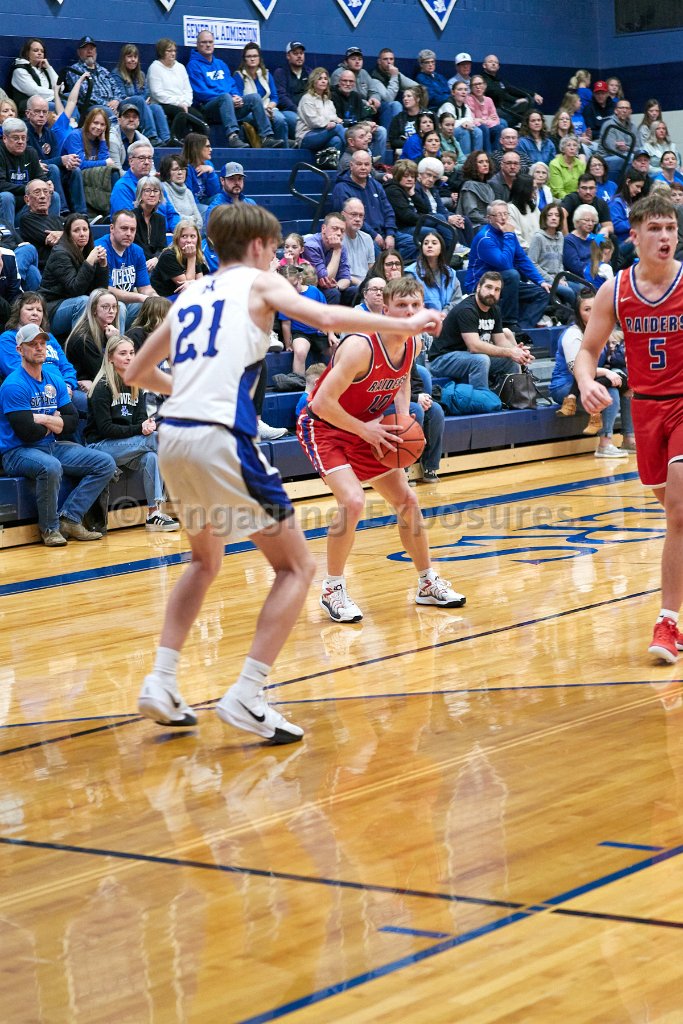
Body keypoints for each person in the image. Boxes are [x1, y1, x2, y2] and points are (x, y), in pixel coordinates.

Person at [124, 202, 440, 734]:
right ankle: (247, 694)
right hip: (222, 435)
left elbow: (136, 371)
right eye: (273, 250)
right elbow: (327, 318)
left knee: (203, 562)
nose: (275, 260)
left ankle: (161, 679)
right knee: (296, 568)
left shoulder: (189, 295)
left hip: (174, 438)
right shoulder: (258, 282)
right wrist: (404, 322)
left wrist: (192, 389)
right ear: (256, 247)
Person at [297, 273, 463, 623]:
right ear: (384, 309)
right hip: (324, 426)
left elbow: (401, 381)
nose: (410, 312)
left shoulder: (412, 343)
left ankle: (426, 582)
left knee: (408, 501)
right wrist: (365, 430)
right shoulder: (360, 347)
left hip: (369, 427)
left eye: (415, 305)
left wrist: (401, 419)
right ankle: (332, 589)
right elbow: (321, 403)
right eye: (401, 305)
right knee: (353, 501)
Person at [573, 193, 683, 661]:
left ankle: (667, 622)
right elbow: (587, 351)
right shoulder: (614, 290)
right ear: (634, 236)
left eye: (671, 227)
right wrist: (586, 382)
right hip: (646, 410)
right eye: (655, 228)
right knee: (677, 514)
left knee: (678, 511)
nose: (665, 236)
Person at [0, 321, 116, 545]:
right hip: (17, 452)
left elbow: (72, 421)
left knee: (105, 463)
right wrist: (56, 421)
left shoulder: (54, 380)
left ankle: (70, 518)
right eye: (32, 344)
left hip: (50, 446)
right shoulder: (13, 385)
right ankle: (50, 529)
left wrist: (43, 418)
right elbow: (27, 433)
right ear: (20, 350)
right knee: (51, 466)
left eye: (42, 343)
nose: (39, 348)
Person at [85, 334, 178, 532]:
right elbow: (106, 429)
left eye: (132, 353)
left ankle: (153, 513)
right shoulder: (102, 387)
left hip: (128, 445)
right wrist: (140, 429)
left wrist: (147, 425)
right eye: (123, 353)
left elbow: (140, 420)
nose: (129, 357)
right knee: (156, 440)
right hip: (100, 447)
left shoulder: (136, 385)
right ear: (110, 358)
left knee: (151, 457)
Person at [551, 288, 630, 449]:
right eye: (587, 309)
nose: (593, 313)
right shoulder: (573, 334)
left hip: (594, 379)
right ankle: (605, 444)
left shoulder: (602, 331)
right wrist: (607, 372)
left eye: (595, 308)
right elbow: (575, 369)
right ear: (578, 313)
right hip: (565, 385)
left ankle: (630, 439)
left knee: (629, 388)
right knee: (609, 391)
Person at [429, 270, 533, 390]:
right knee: (481, 360)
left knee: (511, 361)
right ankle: (482, 398)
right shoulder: (467, 309)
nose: (492, 293)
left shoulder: (494, 310)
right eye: (488, 287)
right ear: (479, 287)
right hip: (442, 360)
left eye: (497, 289)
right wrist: (510, 352)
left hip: (467, 357)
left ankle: (514, 396)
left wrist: (518, 352)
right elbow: (474, 346)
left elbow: (500, 341)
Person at [466, 200, 551, 331]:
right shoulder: (485, 238)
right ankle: (509, 323)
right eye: (498, 214)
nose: (503, 218)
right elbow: (504, 264)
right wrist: (509, 235)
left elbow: (522, 259)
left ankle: (522, 329)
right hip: (480, 284)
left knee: (542, 293)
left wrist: (540, 281)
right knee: (512, 274)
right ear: (489, 218)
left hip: (504, 283)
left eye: (506, 214)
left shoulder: (508, 234)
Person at [187, 30, 282, 148]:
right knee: (225, 97)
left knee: (254, 97)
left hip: (228, 104)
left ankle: (266, 137)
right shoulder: (193, 65)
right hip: (208, 108)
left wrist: (237, 97)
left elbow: (232, 85)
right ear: (197, 45)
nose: (208, 45)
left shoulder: (220, 64)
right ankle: (233, 137)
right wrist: (228, 98)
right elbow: (200, 92)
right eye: (204, 42)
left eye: (210, 42)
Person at [0, 292, 80, 409]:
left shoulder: (49, 337)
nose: (35, 313)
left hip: (64, 390)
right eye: (30, 309)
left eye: (39, 310)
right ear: (18, 312)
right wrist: (58, 387)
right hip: (34, 393)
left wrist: (68, 385)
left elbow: (66, 367)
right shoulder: (8, 338)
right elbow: (16, 370)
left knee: (93, 403)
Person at [39, 213, 109, 335]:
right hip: (52, 309)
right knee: (83, 302)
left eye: (85, 229)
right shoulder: (60, 254)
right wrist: (89, 263)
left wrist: (103, 266)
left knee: (116, 305)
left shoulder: (88, 252)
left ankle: (114, 343)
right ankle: (80, 344)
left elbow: (100, 291)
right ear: (68, 234)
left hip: (75, 303)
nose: (82, 234)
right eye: (76, 230)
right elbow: (75, 290)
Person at [25, 94, 87, 217]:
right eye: (37, 111)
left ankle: (82, 214)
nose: (41, 115)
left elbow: (55, 159)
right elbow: (29, 162)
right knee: (53, 168)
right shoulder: (23, 133)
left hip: (52, 173)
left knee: (75, 170)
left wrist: (68, 163)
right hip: (34, 175)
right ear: (28, 113)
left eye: (44, 112)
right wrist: (61, 160)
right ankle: (62, 212)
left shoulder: (50, 134)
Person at [100, 208, 155, 329]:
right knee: (119, 307)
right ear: (112, 228)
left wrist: (156, 299)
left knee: (152, 306)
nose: (129, 233)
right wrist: (142, 297)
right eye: (124, 228)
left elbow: (145, 288)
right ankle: (116, 341)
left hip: (126, 304)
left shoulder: (137, 251)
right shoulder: (101, 249)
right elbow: (107, 289)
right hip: (101, 305)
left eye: (132, 229)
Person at [332, 150, 396, 251]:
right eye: (359, 164)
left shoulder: (376, 185)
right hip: (359, 234)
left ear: (371, 166)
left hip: (384, 233)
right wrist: (374, 235)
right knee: (373, 248)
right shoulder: (341, 188)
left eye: (366, 164)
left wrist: (390, 234)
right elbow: (348, 219)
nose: (363, 167)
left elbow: (389, 211)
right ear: (351, 165)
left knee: (410, 242)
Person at [109, 140, 179, 231]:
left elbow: (172, 214)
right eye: (141, 158)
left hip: (166, 235)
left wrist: (176, 233)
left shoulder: (157, 184)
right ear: (131, 161)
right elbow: (127, 223)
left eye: (149, 158)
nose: (146, 162)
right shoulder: (122, 187)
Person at [145, 38, 206, 143]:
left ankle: (198, 145)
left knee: (198, 117)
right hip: (163, 104)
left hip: (183, 104)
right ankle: (176, 142)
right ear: (161, 52)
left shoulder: (180, 67)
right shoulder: (154, 68)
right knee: (180, 113)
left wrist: (185, 103)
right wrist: (178, 103)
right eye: (169, 51)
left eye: (174, 51)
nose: (173, 53)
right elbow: (157, 93)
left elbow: (188, 90)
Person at [111, 43, 170, 146]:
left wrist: (142, 100)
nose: (133, 60)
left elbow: (146, 93)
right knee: (138, 100)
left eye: (135, 57)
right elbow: (120, 95)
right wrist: (141, 99)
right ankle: (151, 136)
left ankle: (166, 139)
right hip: (123, 106)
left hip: (141, 104)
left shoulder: (141, 74)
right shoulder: (117, 73)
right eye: (129, 56)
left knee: (156, 108)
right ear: (123, 58)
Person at [0, 117, 55, 226]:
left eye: (23, 138)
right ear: (5, 138)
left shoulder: (31, 152)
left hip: (25, 205)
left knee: (53, 196)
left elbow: (40, 177)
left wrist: (47, 184)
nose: (20, 142)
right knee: (6, 197)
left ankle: (50, 230)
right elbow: (1, 184)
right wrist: (28, 189)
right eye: (16, 138)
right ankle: (8, 234)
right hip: (6, 204)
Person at [66, 288, 124, 390]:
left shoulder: (109, 331)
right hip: (81, 387)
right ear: (94, 310)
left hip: (99, 384)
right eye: (105, 307)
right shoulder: (83, 339)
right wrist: (114, 342)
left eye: (114, 307)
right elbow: (103, 374)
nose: (111, 311)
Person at [234, 43, 289, 148]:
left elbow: (274, 97)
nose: (252, 59)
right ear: (244, 59)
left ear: (259, 58)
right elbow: (239, 99)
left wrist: (269, 108)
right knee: (263, 118)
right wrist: (261, 112)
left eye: (255, 56)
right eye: (249, 56)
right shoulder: (239, 76)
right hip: (249, 112)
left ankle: (284, 150)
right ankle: (268, 143)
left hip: (268, 108)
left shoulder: (266, 74)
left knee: (280, 120)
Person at [528, 202, 580, 306]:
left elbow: (560, 262)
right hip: (542, 280)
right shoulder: (538, 237)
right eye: (550, 215)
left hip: (558, 279)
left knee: (583, 289)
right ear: (544, 218)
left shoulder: (560, 236)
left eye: (557, 215)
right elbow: (532, 263)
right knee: (569, 292)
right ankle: (574, 314)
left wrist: (561, 278)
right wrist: (554, 280)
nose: (553, 218)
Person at [60, 35, 123, 120]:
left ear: (96, 51)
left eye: (92, 48)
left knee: (133, 103)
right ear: (79, 52)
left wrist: (116, 101)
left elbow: (117, 90)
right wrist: (108, 105)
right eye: (85, 48)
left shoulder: (104, 71)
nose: (89, 51)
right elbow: (85, 95)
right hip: (91, 107)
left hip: (113, 105)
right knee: (107, 112)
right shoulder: (74, 70)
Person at [331, 70, 387, 163]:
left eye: (351, 81)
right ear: (339, 82)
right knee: (353, 133)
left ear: (354, 84)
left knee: (381, 131)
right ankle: (362, 160)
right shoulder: (332, 96)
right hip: (343, 128)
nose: (348, 84)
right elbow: (339, 121)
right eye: (345, 81)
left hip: (358, 127)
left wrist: (369, 125)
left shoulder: (356, 96)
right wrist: (363, 125)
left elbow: (365, 116)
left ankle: (377, 164)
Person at [385, 158, 432, 260]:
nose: (410, 179)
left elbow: (426, 210)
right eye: (406, 176)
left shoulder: (409, 189)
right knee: (432, 231)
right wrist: (423, 218)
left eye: (412, 176)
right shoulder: (393, 190)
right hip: (401, 228)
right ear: (398, 176)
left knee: (439, 218)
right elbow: (407, 216)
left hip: (411, 224)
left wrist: (413, 194)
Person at [405, 230, 462, 311]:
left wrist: (444, 313)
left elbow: (457, 300)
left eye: (434, 243)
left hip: (448, 317)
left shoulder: (450, 273)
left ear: (441, 248)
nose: (429, 245)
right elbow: (409, 303)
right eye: (426, 243)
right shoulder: (411, 273)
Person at [151, 219, 208, 299]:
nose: (189, 241)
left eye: (192, 236)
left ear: (198, 238)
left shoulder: (196, 254)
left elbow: (201, 283)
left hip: (182, 298)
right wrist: (191, 258)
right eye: (184, 236)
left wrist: (193, 257)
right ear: (177, 238)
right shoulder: (168, 256)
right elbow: (188, 289)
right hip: (164, 300)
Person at [295, 68, 346, 157]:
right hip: (306, 136)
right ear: (313, 81)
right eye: (320, 78)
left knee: (336, 140)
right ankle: (356, 151)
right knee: (338, 128)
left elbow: (335, 118)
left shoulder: (329, 101)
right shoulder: (307, 99)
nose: (323, 81)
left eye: (325, 79)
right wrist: (330, 121)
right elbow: (314, 122)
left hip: (323, 134)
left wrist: (333, 121)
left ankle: (331, 163)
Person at [481, 54, 538, 127]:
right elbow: (498, 93)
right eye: (490, 62)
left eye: (496, 62)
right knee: (522, 117)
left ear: (498, 67)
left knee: (530, 100)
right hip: (494, 110)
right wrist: (515, 100)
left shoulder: (498, 80)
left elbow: (512, 89)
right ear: (484, 65)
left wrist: (533, 94)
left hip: (506, 108)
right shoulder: (482, 79)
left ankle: (516, 127)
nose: (493, 64)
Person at [18, 177, 62, 272]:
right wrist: (67, 235)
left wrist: (62, 234)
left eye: (46, 192)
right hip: (45, 271)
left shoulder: (58, 219)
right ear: (27, 199)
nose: (42, 196)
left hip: (64, 267)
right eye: (37, 192)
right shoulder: (27, 219)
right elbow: (51, 239)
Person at [9, 38, 58, 115]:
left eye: (42, 51)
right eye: (35, 50)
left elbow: (60, 87)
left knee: (67, 97)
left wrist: (49, 68)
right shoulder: (19, 70)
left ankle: (73, 121)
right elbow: (34, 91)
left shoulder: (44, 69)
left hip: (49, 100)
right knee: (55, 106)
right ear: (27, 53)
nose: (40, 53)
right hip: (28, 106)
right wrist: (56, 94)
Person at [273, 42, 311, 140]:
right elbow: (281, 97)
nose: (299, 56)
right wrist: (297, 110)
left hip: (308, 112)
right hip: (288, 111)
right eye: (295, 53)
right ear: (288, 56)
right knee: (296, 121)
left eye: (301, 53)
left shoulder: (309, 73)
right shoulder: (280, 72)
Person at [158, 154, 203, 232]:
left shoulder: (188, 192)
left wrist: (189, 222)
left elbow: (199, 221)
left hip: (192, 233)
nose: (180, 172)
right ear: (167, 172)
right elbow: (174, 216)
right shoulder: (163, 188)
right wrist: (192, 219)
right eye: (175, 169)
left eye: (183, 169)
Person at [132, 176, 167, 271]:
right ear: (140, 194)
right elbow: (135, 245)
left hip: (155, 264)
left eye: (156, 191)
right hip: (136, 263)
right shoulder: (132, 217)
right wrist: (153, 259)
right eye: (147, 190)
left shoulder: (160, 219)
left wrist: (156, 259)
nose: (152, 194)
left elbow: (162, 247)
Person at [179, 133, 221, 211]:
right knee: (207, 209)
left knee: (221, 198)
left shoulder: (208, 165)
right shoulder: (185, 168)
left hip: (205, 201)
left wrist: (211, 173)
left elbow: (215, 193)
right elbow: (188, 196)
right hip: (191, 204)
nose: (211, 149)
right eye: (207, 146)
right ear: (197, 148)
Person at [340, 198, 375, 287]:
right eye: (354, 214)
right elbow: (339, 273)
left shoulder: (367, 238)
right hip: (347, 285)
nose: (358, 219)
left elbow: (371, 269)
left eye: (361, 215)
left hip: (366, 285)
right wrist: (361, 285)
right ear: (343, 215)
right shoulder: (337, 238)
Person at [456, 150, 496, 228]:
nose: (485, 164)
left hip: (487, 223)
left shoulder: (488, 185)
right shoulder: (469, 185)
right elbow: (471, 213)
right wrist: (490, 222)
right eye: (480, 162)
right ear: (473, 165)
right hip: (475, 226)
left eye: (487, 161)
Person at [108, 103, 151, 173]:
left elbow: (151, 168)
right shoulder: (112, 140)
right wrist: (139, 176)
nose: (131, 119)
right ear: (119, 120)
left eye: (134, 117)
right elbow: (116, 171)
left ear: (138, 121)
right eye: (127, 116)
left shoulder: (144, 141)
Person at [465, 74, 502, 154]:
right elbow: (472, 120)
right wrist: (487, 120)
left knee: (499, 127)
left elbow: (496, 120)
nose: (478, 87)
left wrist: (482, 120)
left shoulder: (489, 100)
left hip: (487, 125)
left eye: (480, 84)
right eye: (475, 85)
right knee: (484, 128)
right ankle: (488, 154)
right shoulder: (469, 99)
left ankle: (497, 154)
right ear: (471, 88)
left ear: (485, 85)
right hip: (477, 127)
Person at [609, 170, 647, 244]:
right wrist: (636, 221)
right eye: (637, 186)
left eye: (641, 187)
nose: (639, 190)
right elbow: (615, 226)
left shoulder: (631, 202)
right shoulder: (616, 202)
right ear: (628, 182)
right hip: (620, 244)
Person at [507, 174, 540, 249]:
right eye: (533, 188)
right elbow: (517, 238)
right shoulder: (510, 209)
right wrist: (532, 251)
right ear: (525, 189)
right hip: (524, 253)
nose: (536, 192)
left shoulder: (534, 208)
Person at [387, 87, 423, 156]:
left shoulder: (427, 116)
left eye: (409, 96)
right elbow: (393, 141)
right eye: (404, 97)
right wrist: (410, 143)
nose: (405, 99)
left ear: (417, 99)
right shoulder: (398, 118)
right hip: (404, 152)